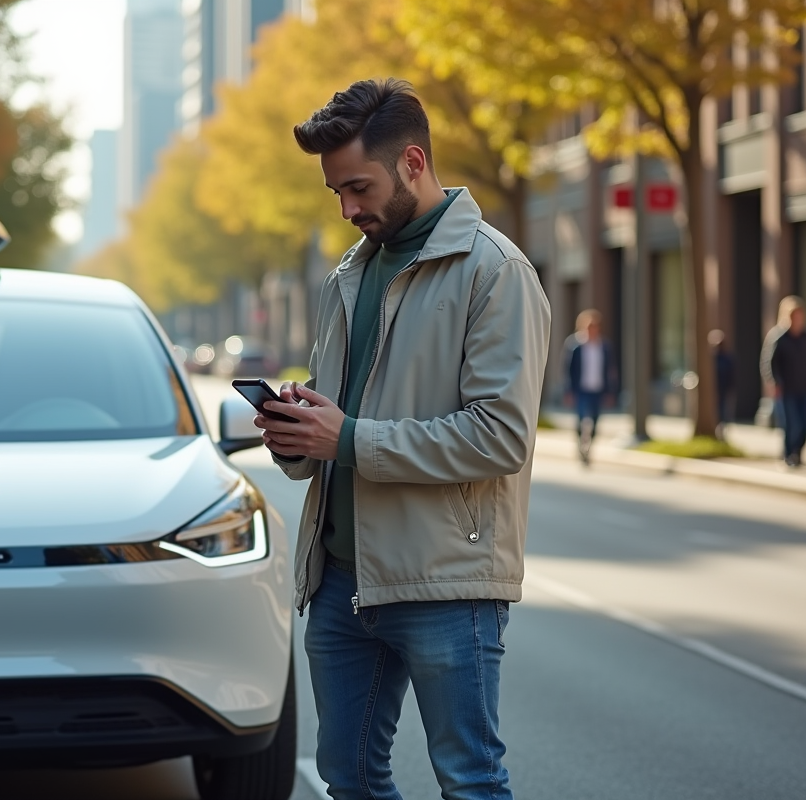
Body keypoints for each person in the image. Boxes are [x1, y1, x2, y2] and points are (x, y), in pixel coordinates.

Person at [255, 79, 550, 800]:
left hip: (446, 583)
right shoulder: (349, 274)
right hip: (339, 583)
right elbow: (343, 420)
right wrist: (298, 435)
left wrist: (347, 437)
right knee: (347, 779)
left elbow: (499, 436)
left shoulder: (495, 271)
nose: (348, 208)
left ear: (413, 163)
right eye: (336, 193)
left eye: (358, 186)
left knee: (469, 782)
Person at [562, 309, 619, 464]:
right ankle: (581, 444)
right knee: (581, 418)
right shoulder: (575, 346)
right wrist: (568, 391)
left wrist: (611, 391)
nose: (592, 329)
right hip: (581, 389)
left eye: (595, 326)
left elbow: (610, 370)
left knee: (595, 420)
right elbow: (568, 370)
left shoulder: (605, 346)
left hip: (598, 389)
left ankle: (589, 446)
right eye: (589, 326)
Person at [764, 296, 806, 466]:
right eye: (795, 315)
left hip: (804, 388)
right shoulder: (778, 337)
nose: (798, 319)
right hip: (786, 390)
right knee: (791, 424)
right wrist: (774, 382)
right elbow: (768, 363)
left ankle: (798, 452)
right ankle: (789, 454)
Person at [709, 329, 736, 438]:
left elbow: (732, 374)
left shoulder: (727, 358)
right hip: (714, 390)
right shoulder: (711, 358)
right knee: (716, 411)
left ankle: (722, 431)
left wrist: (731, 387)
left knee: (723, 412)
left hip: (724, 389)